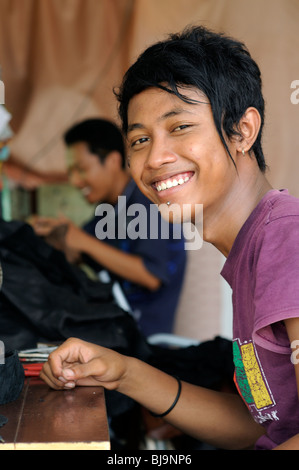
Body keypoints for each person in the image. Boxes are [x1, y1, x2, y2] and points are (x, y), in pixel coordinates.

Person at [40, 25, 299, 450]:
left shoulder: (286, 238)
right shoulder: (250, 250)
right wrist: (123, 372)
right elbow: (270, 431)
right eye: (140, 139)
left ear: (242, 131)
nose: (155, 158)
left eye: (179, 127)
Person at [32, 118, 186, 337]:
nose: (75, 181)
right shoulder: (108, 211)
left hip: (144, 340)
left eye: (81, 169)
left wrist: (82, 241)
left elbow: (151, 275)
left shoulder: (148, 202)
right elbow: (77, 250)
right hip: (112, 330)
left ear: (113, 161)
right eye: (71, 172)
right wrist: (50, 236)